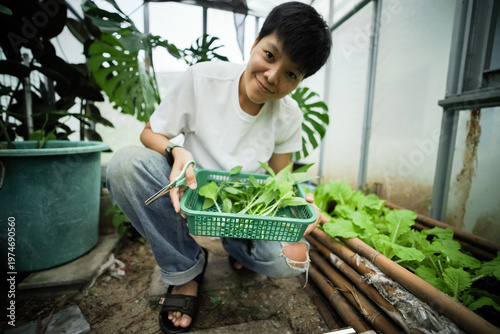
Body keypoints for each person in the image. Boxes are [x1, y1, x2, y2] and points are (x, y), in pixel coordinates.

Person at [106, 1, 332, 333]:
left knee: (290, 261)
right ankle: (185, 270)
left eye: (290, 74)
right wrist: (176, 150)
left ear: (299, 81)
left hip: (245, 211)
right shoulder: (203, 78)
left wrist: (295, 202)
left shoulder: (289, 115)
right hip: (193, 197)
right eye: (270, 56)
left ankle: (238, 246)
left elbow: (279, 177)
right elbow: (149, 132)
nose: (272, 77)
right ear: (255, 43)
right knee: (125, 165)